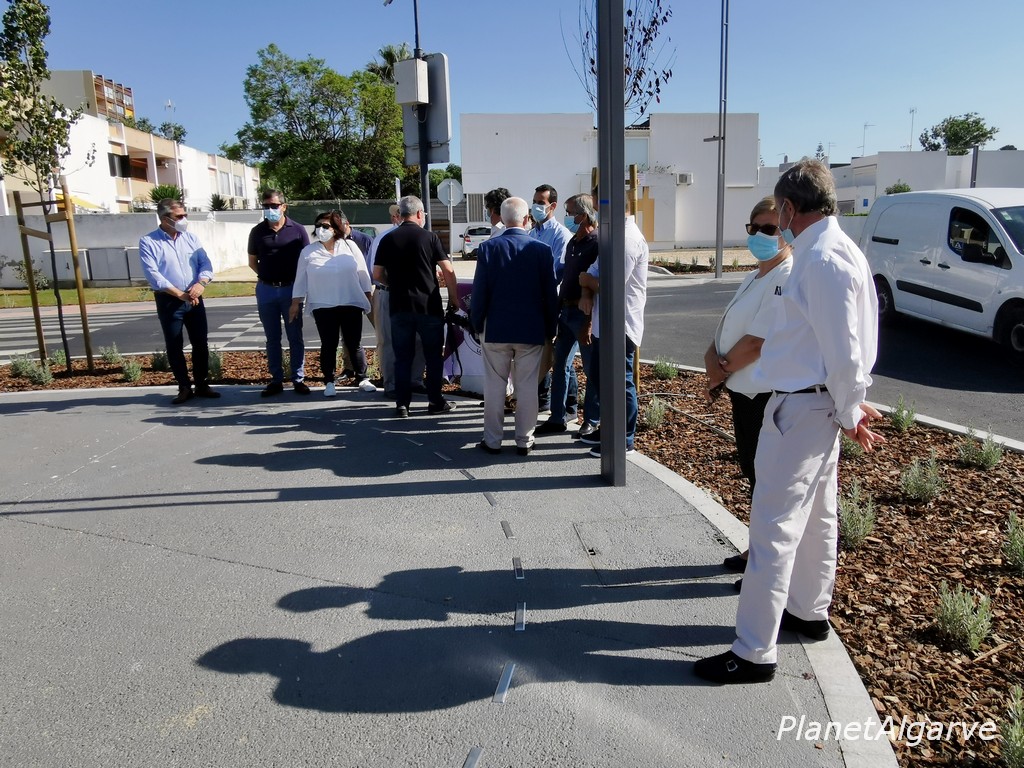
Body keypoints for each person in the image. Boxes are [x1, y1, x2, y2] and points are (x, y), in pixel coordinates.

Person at [694, 159, 884, 685]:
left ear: (789, 208)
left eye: (777, 212)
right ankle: (808, 610)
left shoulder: (821, 259)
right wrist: (848, 406)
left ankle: (754, 651)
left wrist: (850, 408)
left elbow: (845, 351)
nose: (774, 222)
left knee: (773, 526)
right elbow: (847, 346)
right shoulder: (837, 251)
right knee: (818, 517)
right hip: (815, 405)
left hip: (803, 407)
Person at [703, 197, 793, 575]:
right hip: (743, 390)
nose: (758, 235)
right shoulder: (756, 274)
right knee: (755, 474)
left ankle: (765, 565)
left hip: (763, 393)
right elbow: (731, 325)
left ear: (786, 232)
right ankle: (756, 552)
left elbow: (758, 342)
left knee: (767, 480)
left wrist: (719, 370)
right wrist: (712, 355)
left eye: (769, 229)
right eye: (753, 227)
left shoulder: (785, 275)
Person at [471, 197, 558, 456]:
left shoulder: (488, 248)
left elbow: (480, 292)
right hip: (530, 329)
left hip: (496, 328)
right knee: (528, 386)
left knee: (495, 386)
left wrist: (476, 323)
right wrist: (551, 328)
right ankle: (525, 440)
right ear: (526, 219)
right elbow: (550, 295)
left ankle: (492, 440)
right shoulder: (542, 250)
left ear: (502, 218)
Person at [372, 195, 459, 417]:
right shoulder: (430, 237)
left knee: (402, 357)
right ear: (420, 214)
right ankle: (435, 401)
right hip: (428, 306)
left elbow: (377, 274)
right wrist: (453, 298)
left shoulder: (388, 239)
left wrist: (394, 284)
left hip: (399, 306)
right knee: (433, 356)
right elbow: (448, 270)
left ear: (400, 214)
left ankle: (402, 404)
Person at [577, 211, 648, 456]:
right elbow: (590, 272)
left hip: (622, 325)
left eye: (598, 204)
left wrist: (587, 281)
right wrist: (587, 288)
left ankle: (623, 438)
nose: (596, 211)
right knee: (601, 379)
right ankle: (608, 428)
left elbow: (611, 285)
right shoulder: (612, 236)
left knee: (620, 382)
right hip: (603, 324)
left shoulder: (627, 240)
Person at [139, 198, 220, 405]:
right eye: (179, 216)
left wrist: (201, 283)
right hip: (169, 300)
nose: (184, 219)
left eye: (185, 215)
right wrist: (179, 294)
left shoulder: (191, 238)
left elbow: (205, 264)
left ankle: (202, 383)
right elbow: (154, 275)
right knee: (174, 344)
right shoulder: (149, 242)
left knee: (200, 343)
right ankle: (184, 386)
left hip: (194, 297)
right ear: (165, 218)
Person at [289, 211, 376, 397]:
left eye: (326, 226)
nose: (321, 229)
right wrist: (296, 302)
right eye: (318, 226)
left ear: (336, 228)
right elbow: (300, 279)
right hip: (323, 304)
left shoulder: (350, 246)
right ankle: (329, 380)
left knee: (354, 342)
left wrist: (367, 295)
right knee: (329, 343)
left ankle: (362, 377)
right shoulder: (308, 252)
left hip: (350, 301)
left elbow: (362, 273)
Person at [537, 193, 599, 435]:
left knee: (591, 369)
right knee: (560, 364)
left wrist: (590, 321)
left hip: (585, 315)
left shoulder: (597, 243)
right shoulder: (573, 242)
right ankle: (557, 417)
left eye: (571, 213)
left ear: (584, 215)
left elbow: (595, 282)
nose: (568, 217)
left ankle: (591, 419)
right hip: (566, 312)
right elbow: (565, 276)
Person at [248, 189, 311, 398]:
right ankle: (276, 380)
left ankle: (298, 379)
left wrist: (298, 291)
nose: (270, 209)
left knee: (295, 336)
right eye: (266, 206)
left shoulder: (298, 230)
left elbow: (306, 261)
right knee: (272, 338)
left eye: (274, 205)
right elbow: (252, 261)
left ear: (284, 206)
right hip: (266, 290)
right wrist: (268, 276)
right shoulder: (257, 231)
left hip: (291, 290)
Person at [369, 204, 426, 397]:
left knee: (417, 339)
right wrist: (394, 284)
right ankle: (392, 383)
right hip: (389, 293)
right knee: (389, 340)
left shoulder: (421, 236)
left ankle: (414, 380)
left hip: (409, 294)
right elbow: (377, 273)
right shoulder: (384, 238)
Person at [530, 183, 573, 411]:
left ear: (552, 206)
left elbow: (557, 271)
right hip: (534, 302)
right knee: (540, 350)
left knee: (558, 354)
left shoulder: (560, 234)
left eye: (541, 203)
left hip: (551, 302)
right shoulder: (532, 232)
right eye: (534, 202)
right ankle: (541, 396)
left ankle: (566, 403)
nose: (536, 206)